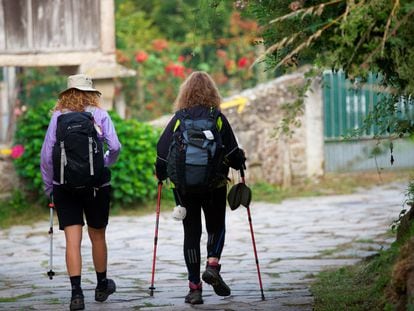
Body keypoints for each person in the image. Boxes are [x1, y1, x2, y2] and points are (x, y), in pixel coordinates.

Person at [155, 71, 246, 305]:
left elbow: (162, 150)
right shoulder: (217, 117)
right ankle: (213, 265)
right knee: (216, 226)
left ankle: (194, 288)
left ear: (185, 93)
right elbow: (233, 154)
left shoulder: (179, 118)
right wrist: (240, 161)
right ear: (213, 93)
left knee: (191, 233)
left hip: (184, 188)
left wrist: (161, 175)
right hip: (214, 184)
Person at [40, 74, 121, 310]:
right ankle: (101, 285)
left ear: (66, 94)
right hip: (96, 185)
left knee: (72, 241)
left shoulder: (58, 117)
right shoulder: (99, 115)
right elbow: (115, 146)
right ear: (91, 93)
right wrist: (103, 162)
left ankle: (77, 294)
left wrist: (50, 188)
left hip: (64, 186)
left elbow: (46, 158)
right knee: (98, 236)